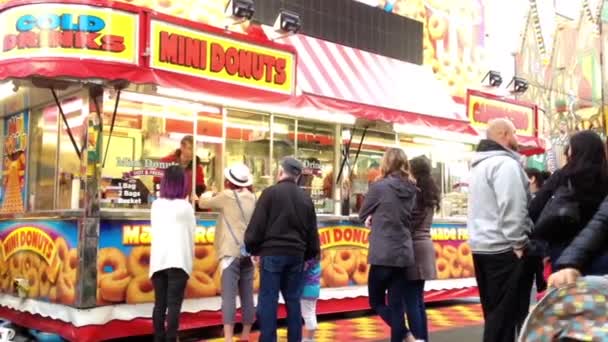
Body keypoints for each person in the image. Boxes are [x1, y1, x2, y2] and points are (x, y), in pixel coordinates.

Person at [467, 118, 534, 342]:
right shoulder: (505, 165)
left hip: (482, 249)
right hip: (503, 250)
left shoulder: (479, 165)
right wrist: (519, 244)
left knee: (495, 316)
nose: (517, 139)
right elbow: (513, 206)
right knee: (504, 320)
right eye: (514, 133)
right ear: (504, 134)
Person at [244, 157, 320, 342]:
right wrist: (307, 257)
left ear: (281, 171)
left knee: (268, 301)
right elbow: (312, 236)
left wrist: (253, 249)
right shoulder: (306, 199)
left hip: (272, 254)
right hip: (296, 256)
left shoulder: (270, 193)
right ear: (298, 176)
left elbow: (256, 227)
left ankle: (269, 338)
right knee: (293, 301)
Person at [359, 148, 417, 342]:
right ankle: (403, 336)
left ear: (386, 163)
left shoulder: (379, 187)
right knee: (396, 304)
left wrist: (371, 217)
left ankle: (406, 335)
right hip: (403, 252)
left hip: (383, 252)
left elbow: (363, 212)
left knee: (375, 300)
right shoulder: (413, 189)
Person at [529, 130, 608, 271]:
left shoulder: (563, 176)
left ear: (574, 151)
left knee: (568, 291)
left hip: (563, 250)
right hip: (601, 249)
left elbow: (535, 207)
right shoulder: (604, 176)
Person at [198, 164, 256, 342]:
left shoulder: (227, 196)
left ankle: (229, 338)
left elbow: (202, 203)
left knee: (229, 296)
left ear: (229, 181)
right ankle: (245, 335)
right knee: (247, 295)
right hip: (248, 253)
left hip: (230, 253)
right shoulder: (253, 197)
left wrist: (208, 193)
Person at [149, 165, 195, 342]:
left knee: (159, 304)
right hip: (179, 261)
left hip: (158, 261)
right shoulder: (186, 207)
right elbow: (191, 233)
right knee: (174, 305)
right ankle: (171, 338)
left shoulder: (156, 205)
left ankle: (158, 338)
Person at [404, 155, 439, 342]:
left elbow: (408, 223)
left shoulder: (414, 193)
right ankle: (423, 338)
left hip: (414, 249)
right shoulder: (429, 192)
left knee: (411, 301)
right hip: (425, 247)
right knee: (418, 300)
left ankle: (417, 338)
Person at [301, 258, 321, 342]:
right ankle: (311, 338)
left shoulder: (308, 260)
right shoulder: (316, 258)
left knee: (307, 315)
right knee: (311, 313)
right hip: (314, 288)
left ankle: (308, 339)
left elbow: (302, 269)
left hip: (307, 289)